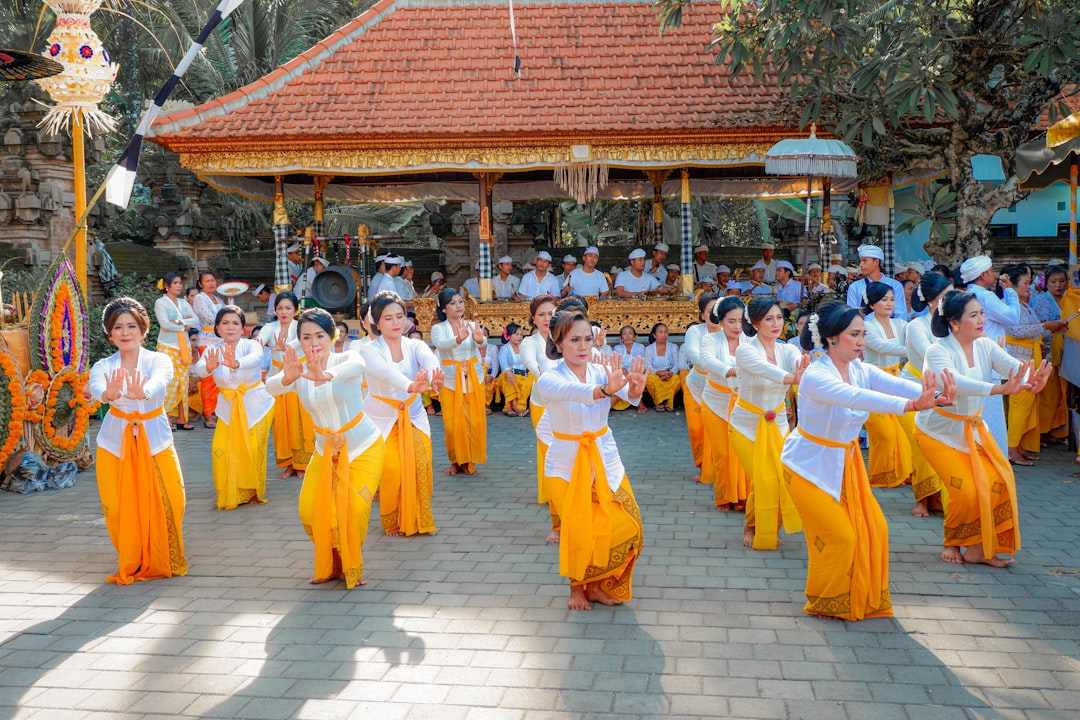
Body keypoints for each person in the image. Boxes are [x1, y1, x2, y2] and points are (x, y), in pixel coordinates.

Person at [781, 301, 955, 620]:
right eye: (854, 334)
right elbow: (858, 398)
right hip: (806, 466)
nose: (861, 341)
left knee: (876, 528)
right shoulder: (816, 376)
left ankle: (856, 596)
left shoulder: (860, 369)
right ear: (831, 338)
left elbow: (896, 384)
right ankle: (825, 599)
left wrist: (939, 395)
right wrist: (914, 405)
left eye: (863, 334)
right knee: (841, 537)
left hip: (844, 463)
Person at [916, 290, 1050, 567]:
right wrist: (998, 388)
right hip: (937, 432)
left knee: (996, 482)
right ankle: (952, 542)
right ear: (954, 322)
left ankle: (977, 550)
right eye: (974, 315)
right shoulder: (937, 350)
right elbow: (956, 383)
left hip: (973, 429)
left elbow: (1012, 366)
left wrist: (1031, 377)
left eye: (981, 314)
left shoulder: (985, 345)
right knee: (964, 488)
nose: (981, 320)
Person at [536, 311, 646, 611]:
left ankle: (597, 585)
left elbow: (628, 394)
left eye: (587, 338)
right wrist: (606, 390)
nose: (583, 346)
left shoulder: (600, 370)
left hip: (605, 457)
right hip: (565, 464)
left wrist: (635, 387)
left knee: (628, 524)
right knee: (579, 528)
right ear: (558, 344)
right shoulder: (549, 378)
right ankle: (577, 587)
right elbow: (578, 393)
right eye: (574, 340)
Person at [266, 309, 384, 587]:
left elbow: (357, 367)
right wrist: (286, 378)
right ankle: (333, 562)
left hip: (363, 447)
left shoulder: (347, 357)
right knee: (309, 511)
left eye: (319, 335)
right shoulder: (299, 370)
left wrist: (326, 374)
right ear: (299, 342)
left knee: (352, 508)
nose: (313, 342)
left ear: (332, 336)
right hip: (324, 452)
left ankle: (350, 562)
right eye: (306, 337)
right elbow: (269, 388)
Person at [88, 297, 189, 585]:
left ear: (143, 330)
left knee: (173, 499)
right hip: (114, 443)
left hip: (155, 438)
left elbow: (160, 381)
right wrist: (108, 394)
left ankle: (163, 552)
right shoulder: (103, 366)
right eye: (118, 327)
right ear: (109, 334)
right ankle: (132, 556)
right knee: (116, 506)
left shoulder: (159, 360)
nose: (125, 332)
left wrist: (141, 392)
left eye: (131, 326)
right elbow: (97, 389)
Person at [360, 293, 446, 537]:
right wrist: (411, 386)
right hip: (381, 418)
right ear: (376, 322)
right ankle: (393, 520)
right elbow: (387, 373)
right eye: (388, 318)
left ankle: (418, 516)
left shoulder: (415, 344)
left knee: (422, 464)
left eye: (400, 316)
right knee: (392, 471)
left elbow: (429, 360)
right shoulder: (369, 351)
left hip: (414, 413)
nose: (396, 322)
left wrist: (432, 378)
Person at [731, 297, 809, 551]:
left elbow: (801, 366)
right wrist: (791, 378)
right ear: (755, 323)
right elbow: (765, 370)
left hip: (777, 425)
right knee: (763, 479)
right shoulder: (745, 350)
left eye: (779, 317)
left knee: (778, 479)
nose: (776, 323)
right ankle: (751, 526)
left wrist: (805, 373)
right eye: (769, 319)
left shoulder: (788, 349)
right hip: (745, 426)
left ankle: (769, 527)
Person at [192, 305, 274, 510]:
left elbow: (256, 359)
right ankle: (229, 491)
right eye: (225, 323)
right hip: (228, 408)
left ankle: (252, 491)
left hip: (256, 405)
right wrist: (209, 367)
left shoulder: (251, 345)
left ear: (243, 328)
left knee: (252, 450)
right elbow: (201, 369)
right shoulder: (212, 349)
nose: (230, 327)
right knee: (220, 450)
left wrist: (235, 363)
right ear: (217, 327)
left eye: (235, 323)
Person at [901, 272, 952, 516]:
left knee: (941, 447)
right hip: (913, 389)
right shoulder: (916, 326)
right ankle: (922, 499)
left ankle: (941, 498)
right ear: (932, 300)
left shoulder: (953, 324)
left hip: (942, 391)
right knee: (920, 448)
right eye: (946, 295)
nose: (952, 299)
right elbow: (930, 355)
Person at [960, 255, 1020, 454]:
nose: (994, 274)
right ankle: (993, 456)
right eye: (992, 271)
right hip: (989, 362)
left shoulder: (969, 294)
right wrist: (1010, 291)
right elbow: (1012, 317)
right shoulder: (985, 296)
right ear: (983, 275)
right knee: (991, 417)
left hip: (976, 358)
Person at [860, 282, 914, 492]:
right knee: (885, 433)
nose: (889, 303)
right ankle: (882, 475)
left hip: (898, 378)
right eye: (884, 299)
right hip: (874, 380)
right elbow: (880, 346)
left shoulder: (901, 324)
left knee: (907, 427)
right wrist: (909, 350)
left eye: (892, 299)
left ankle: (907, 472)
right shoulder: (866, 325)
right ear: (872, 303)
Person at [698, 297, 749, 509]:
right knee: (721, 452)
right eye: (731, 321)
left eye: (740, 321)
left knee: (741, 450)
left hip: (743, 404)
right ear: (720, 320)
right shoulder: (711, 340)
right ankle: (723, 496)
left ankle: (743, 496)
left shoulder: (749, 341)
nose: (737, 327)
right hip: (714, 402)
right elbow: (706, 360)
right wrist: (728, 370)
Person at [431, 287, 488, 475]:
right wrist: (457, 338)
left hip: (473, 376)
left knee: (473, 421)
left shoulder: (472, 324)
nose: (458, 306)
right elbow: (441, 345)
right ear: (444, 308)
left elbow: (481, 341)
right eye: (452, 303)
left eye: (460, 302)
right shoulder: (438, 328)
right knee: (451, 424)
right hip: (450, 380)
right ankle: (455, 460)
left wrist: (481, 340)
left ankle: (469, 460)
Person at [258, 292, 315, 479]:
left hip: (299, 377)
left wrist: (287, 347)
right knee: (281, 423)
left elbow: (300, 341)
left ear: (295, 310)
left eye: (288, 308)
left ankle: (303, 464)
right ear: (274, 309)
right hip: (278, 379)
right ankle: (288, 464)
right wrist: (256, 344)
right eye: (280, 308)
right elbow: (260, 338)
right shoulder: (270, 327)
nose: (284, 312)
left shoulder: (302, 326)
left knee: (301, 421)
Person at [521, 294, 560, 540]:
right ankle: (552, 496)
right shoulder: (529, 342)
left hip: (565, 402)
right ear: (533, 318)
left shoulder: (563, 337)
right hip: (542, 401)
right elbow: (534, 368)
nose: (547, 319)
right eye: (542, 315)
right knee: (548, 449)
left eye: (551, 314)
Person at [1003, 265, 1052, 465]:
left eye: (1029, 282)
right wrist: (1044, 326)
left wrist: (1051, 329)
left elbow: (1032, 331)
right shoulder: (1010, 305)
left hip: (1028, 357)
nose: (1028, 287)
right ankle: (1011, 450)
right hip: (1018, 360)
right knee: (1020, 406)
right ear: (1013, 286)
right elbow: (1016, 331)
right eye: (1025, 283)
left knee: (1026, 405)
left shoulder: (1024, 305)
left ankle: (1018, 446)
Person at [681, 293, 720, 481]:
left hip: (720, 389)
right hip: (696, 386)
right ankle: (704, 466)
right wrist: (714, 366)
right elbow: (693, 354)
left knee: (716, 430)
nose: (714, 314)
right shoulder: (696, 331)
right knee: (697, 429)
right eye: (709, 311)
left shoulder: (728, 331)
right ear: (702, 314)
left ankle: (718, 469)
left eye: (717, 310)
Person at [1031, 264, 1071, 447]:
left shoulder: (1069, 299)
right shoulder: (1041, 301)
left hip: (1064, 351)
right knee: (1046, 393)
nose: (1058, 285)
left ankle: (1055, 430)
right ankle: (1041, 432)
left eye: (1062, 281)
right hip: (1046, 350)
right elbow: (1037, 326)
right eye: (1053, 281)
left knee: (1059, 393)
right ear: (1045, 283)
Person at [154, 272, 199, 431]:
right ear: (166, 286)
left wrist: (179, 322)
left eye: (180, 283)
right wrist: (184, 326)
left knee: (183, 381)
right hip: (168, 346)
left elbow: (195, 320)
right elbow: (165, 324)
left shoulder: (183, 302)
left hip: (183, 346)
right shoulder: (161, 302)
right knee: (170, 381)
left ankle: (182, 417)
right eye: (175, 283)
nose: (179, 286)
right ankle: (166, 417)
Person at [191, 271, 225, 429]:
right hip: (206, 339)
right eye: (207, 281)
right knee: (208, 378)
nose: (211, 283)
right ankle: (208, 412)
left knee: (219, 377)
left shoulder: (218, 298)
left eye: (213, 280)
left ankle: (218, 410)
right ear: (200, 284)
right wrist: (226, 314)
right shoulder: (200, 298)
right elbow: (211, 318)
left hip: (220, 340)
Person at [846, 244, 907, 319]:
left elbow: (900, 316)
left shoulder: (895, 286)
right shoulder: (855, 287)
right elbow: (852, 317)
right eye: (861, 261)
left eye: (864, 260)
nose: (861, 265)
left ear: (876, 261)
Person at [643, 323, 681, 411]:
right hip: (656, 374)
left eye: (665, 332)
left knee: (676, 379)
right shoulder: (649, 349)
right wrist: (659, 373)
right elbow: (647, 366)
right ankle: (659, 402)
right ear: (654, 335)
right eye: (660, 332)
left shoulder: (673, 347)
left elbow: (677, 364)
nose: (663, 335)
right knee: (650, 378)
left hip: (670, 374)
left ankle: (668, 402)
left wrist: (670, 373)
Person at [612, 325, 646, 412]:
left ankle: (637, 400)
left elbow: (640, 362)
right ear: (621, 338)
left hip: (636, 372)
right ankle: (638, 401)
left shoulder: (640, 347)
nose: (627, 336)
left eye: (630, 333)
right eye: (624, 334)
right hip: (622, 373)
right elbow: (618, 364)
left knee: (636, 378)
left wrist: (631, 375)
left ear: (634, 337)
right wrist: (626, 374)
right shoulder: (617, 348)